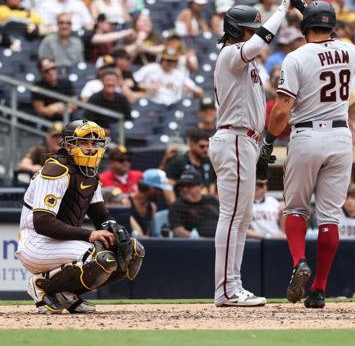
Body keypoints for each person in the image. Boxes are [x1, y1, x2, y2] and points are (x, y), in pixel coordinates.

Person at [263, 0, 355, 308]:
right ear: (333, 25)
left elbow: (282, 109)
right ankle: (319, 289)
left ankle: (299, 261)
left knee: (296, 209)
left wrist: (269, 138)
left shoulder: (295, 57)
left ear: (305, 28)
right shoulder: (351, 50)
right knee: (330, 217)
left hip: (307, 133)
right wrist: (308, 10)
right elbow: (326, 40)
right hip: (341, 136)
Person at [209, 0, 298, 307]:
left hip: (244, 140)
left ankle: (232, 285)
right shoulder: (231, 54)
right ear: (237, 30)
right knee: (233, 216)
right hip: (233, 137)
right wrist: (283, 8)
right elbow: (260, 42)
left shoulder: (242, 59)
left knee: (240, 217)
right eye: (250, 29)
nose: (254, 33)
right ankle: (227, 289)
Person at [16, 119, 145, 314]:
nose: (91, 148)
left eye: (95, 143)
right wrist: (89, 235)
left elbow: (100, 214)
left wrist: (115, 230)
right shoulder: (55, 170)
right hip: (37, 243)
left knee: (131, 252)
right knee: (100, 258)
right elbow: (42, 223)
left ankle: (67, 294)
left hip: (62, 243)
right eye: (84, 142)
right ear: (68, 145)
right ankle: (41, 285)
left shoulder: (91, 173)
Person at [134, 47, 203, 106]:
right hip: (152, 104)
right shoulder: (151, 68)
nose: (170, 63)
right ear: (162, 59)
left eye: (173, 60)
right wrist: (146, 87)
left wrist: (191, 90)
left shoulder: (179, 75)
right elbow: (132, 82)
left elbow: (199, 92)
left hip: (173, 108)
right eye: (168, 60)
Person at [169, 169, 219, 238]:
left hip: (221, 242)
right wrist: (200, 240)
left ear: (200, 186)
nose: (185, 189)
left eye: (189, 185)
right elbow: (178, 230)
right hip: (194, 245)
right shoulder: (177, 206)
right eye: (182, 186)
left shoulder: (213, 201)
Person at [165, 129, 215, 193]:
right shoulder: (178, 162)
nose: (206, 150)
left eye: (207, 146)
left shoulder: (209, 162)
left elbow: (211, 184)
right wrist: (175, 203)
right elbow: (168, 186)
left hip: (205, 200)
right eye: (202, 146)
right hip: (184, 200)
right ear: (191, 145)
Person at [128, 168, 172, 237]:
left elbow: (147, 235)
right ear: (151, 188)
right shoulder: (125, 203)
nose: (161, 193)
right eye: (160, 190)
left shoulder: (152, 207)